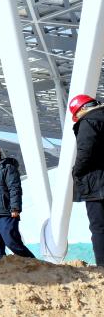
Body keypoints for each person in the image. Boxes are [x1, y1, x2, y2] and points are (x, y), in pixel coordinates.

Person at [70, 94, 104, 266]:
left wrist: (76, 171)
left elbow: (85, 152)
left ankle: (102, 267)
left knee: (99, 227)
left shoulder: (89, 121)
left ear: (82, 109)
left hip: (97, 185)